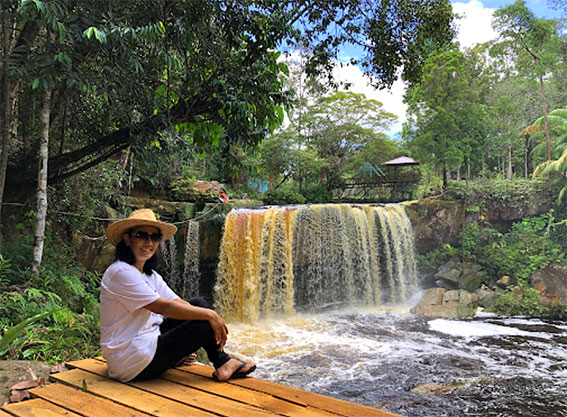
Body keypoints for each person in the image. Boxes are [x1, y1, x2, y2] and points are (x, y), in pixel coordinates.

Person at [99, 208, 256, 383]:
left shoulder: (149, 275)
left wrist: (187, 341)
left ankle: (220, 361)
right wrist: (210, 316)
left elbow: (177, 302)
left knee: (198, 304)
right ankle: (223, 362)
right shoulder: (121, 272)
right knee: (203, 321)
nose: (149, 242)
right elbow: (163, 307)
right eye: (142, 235)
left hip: (146, 346)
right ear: (127, 239)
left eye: (154, 237)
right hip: (129, 361)